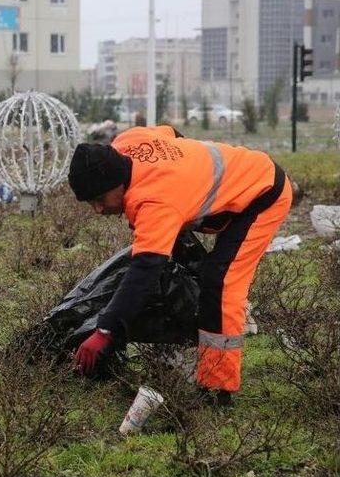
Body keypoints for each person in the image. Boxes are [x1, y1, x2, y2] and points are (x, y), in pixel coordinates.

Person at [68, 125, 292, 405]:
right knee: (196, 271)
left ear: (117, 182)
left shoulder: (156, 201)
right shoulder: (128, 141)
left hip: (264, 194)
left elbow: (144, 272)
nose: (98, 209)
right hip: (238, 181)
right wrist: (189, 181)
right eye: (91, 203)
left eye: (99, 199)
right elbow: (171, 132)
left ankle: (217, 389)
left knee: (220, 285)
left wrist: (105, 331)